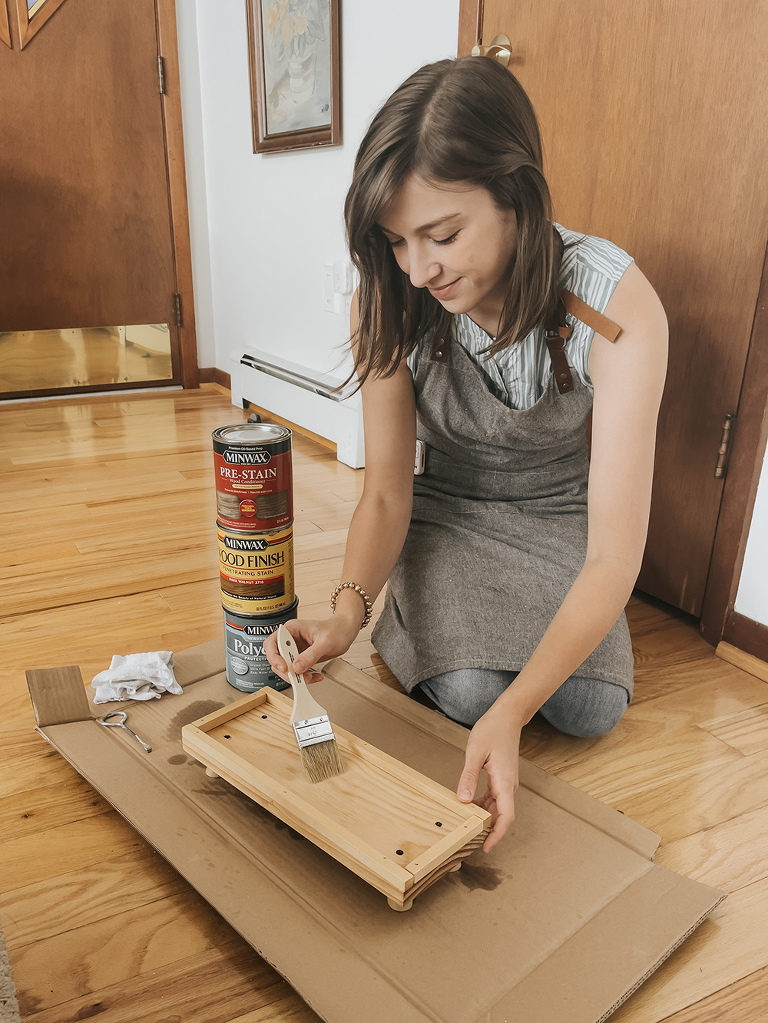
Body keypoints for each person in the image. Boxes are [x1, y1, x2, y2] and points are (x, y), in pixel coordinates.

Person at [264, 56, 668, 852]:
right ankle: (431, 638)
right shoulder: (392, 294)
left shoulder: (615, 306)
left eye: (442, 235)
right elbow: (385, 491)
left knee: (589, 710)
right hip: (442, 507)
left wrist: (515, 716)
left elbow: (616, 554)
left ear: (516, 197)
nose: (418, 268)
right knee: (469, 686)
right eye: (396, 241)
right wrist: (348, 613)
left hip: (558, 513)